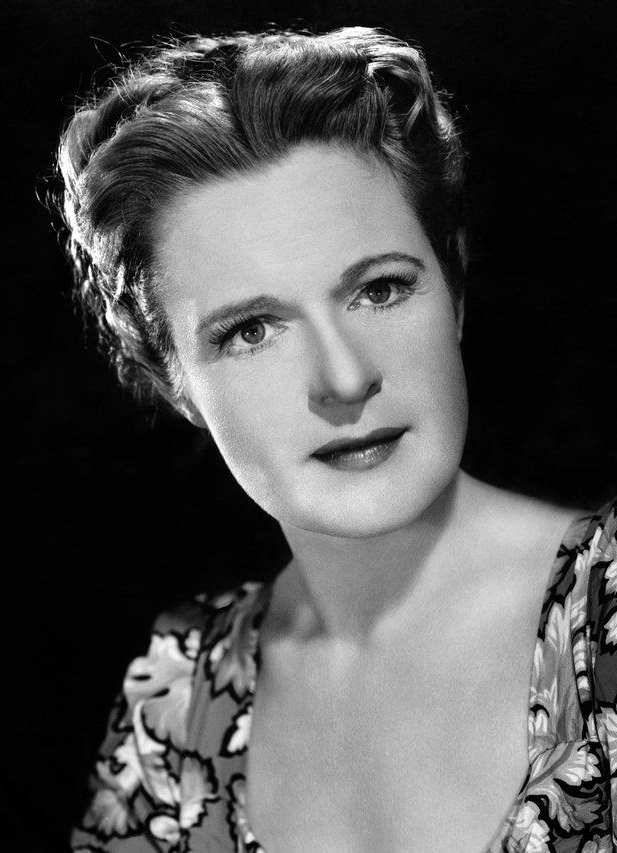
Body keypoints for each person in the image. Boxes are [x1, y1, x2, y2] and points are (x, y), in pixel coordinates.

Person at [55, 25, 617, 853]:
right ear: (171, 381)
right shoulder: (178, 695)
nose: (345, 378)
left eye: (380, 289)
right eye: (251, 331)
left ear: (455, 288)